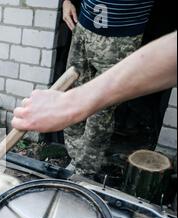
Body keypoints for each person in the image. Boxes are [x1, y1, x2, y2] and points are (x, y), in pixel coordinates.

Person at [56, 0, 156, 177]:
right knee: (73, 95)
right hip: (83, 26)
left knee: (100, 110)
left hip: (121, 37)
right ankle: (75, 159)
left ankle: (84, 172)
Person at [11, 31, 177, 133]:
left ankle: (85, 169)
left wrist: (71, 102)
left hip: (120, 32)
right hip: (85, 27)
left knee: (100, 117)